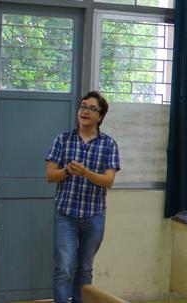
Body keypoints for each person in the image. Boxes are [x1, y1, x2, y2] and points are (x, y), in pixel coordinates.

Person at [45, 91, 120, 303]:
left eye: (91, 108)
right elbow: (50, 176)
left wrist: (85, 172)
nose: (85, 111)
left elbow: (108, 181)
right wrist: (68, 171)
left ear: (101, 117)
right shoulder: (63, 139)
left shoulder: (109, 144)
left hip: (94, 215)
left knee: (85, 269)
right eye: (82, 107)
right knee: (63, 267)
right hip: (65, 214)